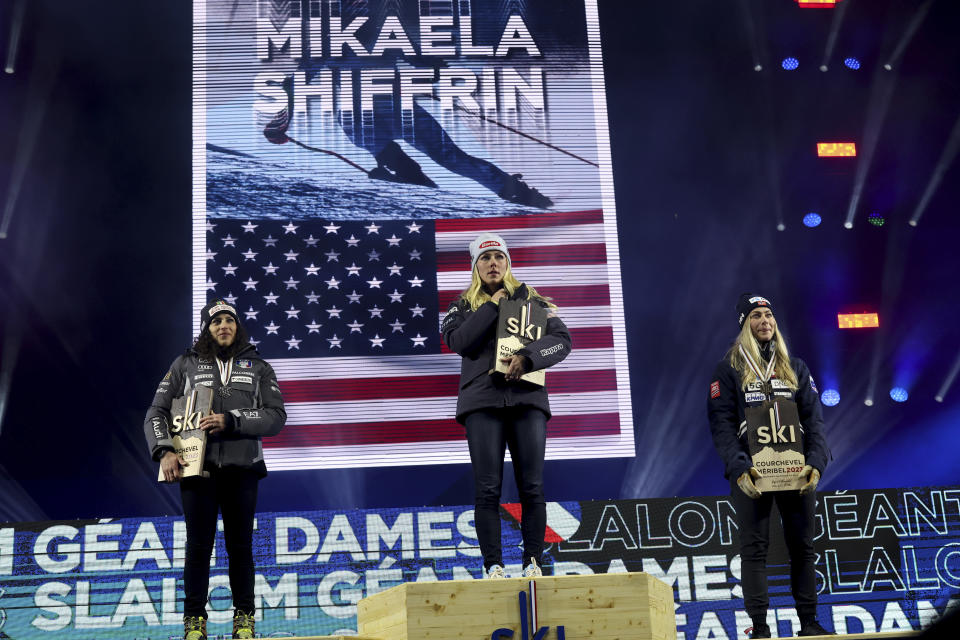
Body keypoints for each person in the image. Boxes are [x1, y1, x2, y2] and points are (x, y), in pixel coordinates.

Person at [143, 300, 286, 640]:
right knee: (198, 547)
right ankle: (194, 623)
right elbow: (155, 413)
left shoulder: (259, 367)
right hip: (198, 471)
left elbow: (276, 417)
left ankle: (245, 622)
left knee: (241, 548)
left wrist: (232, 420)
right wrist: (163, 450)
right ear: (207, 328)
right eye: (216, 321)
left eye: (229, 320)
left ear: (237, 326)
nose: (223, 326)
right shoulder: (184, 364)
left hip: (243, 469)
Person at [441, 233, 572, 579]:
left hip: (527, 401)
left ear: (508, 262)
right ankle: (493, 566)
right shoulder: (463, 306)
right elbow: (459, 341)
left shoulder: (532, 300)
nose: (493, 263)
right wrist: (494, 306)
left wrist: (528, 359)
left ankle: (533, 562)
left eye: (499, 257)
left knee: (532, 486)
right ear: (476, 267)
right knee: (487, 488)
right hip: (481, 403)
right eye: (485, 259)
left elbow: (562, 341)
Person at [707, 294, 833, 638]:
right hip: (753, 474)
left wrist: (816, 464)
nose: (766, 321)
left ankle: (809, 623)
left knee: (803, 547)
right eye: (757, 316)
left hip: (796, 471)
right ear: (744, 324)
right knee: (754, 548)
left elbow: (815, 422)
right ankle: (760, 627)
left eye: (769, 315)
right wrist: (739, 468)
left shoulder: (795, 366)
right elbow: (721, 425)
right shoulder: (729, 368)